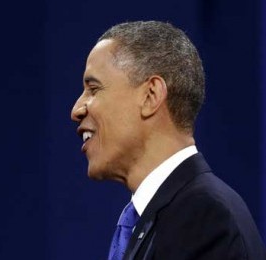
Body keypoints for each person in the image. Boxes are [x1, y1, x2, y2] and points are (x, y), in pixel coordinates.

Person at [71, 21, 266, 259]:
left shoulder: (205, 219)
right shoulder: (165, 215)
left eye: (93, 89)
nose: (76, 109)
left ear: (150, 96)